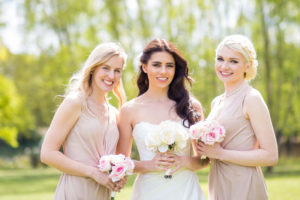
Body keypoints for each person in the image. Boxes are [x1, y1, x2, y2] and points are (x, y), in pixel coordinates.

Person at [117, 38, 206, 200]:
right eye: (156, 65)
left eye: (169, 66)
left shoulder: (191, 106)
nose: (163, 71)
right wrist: (149, 165)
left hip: (186, 191)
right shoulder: (129, 110)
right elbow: (121, 162)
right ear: (145, 67)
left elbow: (204, 160)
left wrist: (184, 161)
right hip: (148, 192)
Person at [40, 42, 127, 200]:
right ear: (94, 68)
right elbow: (47, 153)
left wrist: (118, 176)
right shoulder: (75, 103)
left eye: (117, 71)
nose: (111, 76)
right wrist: (92, 172)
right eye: (105, 68)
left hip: (103, 194)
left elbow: (116, 157)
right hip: (75, 192)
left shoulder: (115, 113)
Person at [196, 34, 278, 200]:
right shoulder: (216, 102)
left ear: (247, 66)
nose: (224, 66)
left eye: (233, 61)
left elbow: (271, 155)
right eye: (220, 59)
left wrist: (220, 153)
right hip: (218, 182)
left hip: (244, 184)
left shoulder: (251, 98)